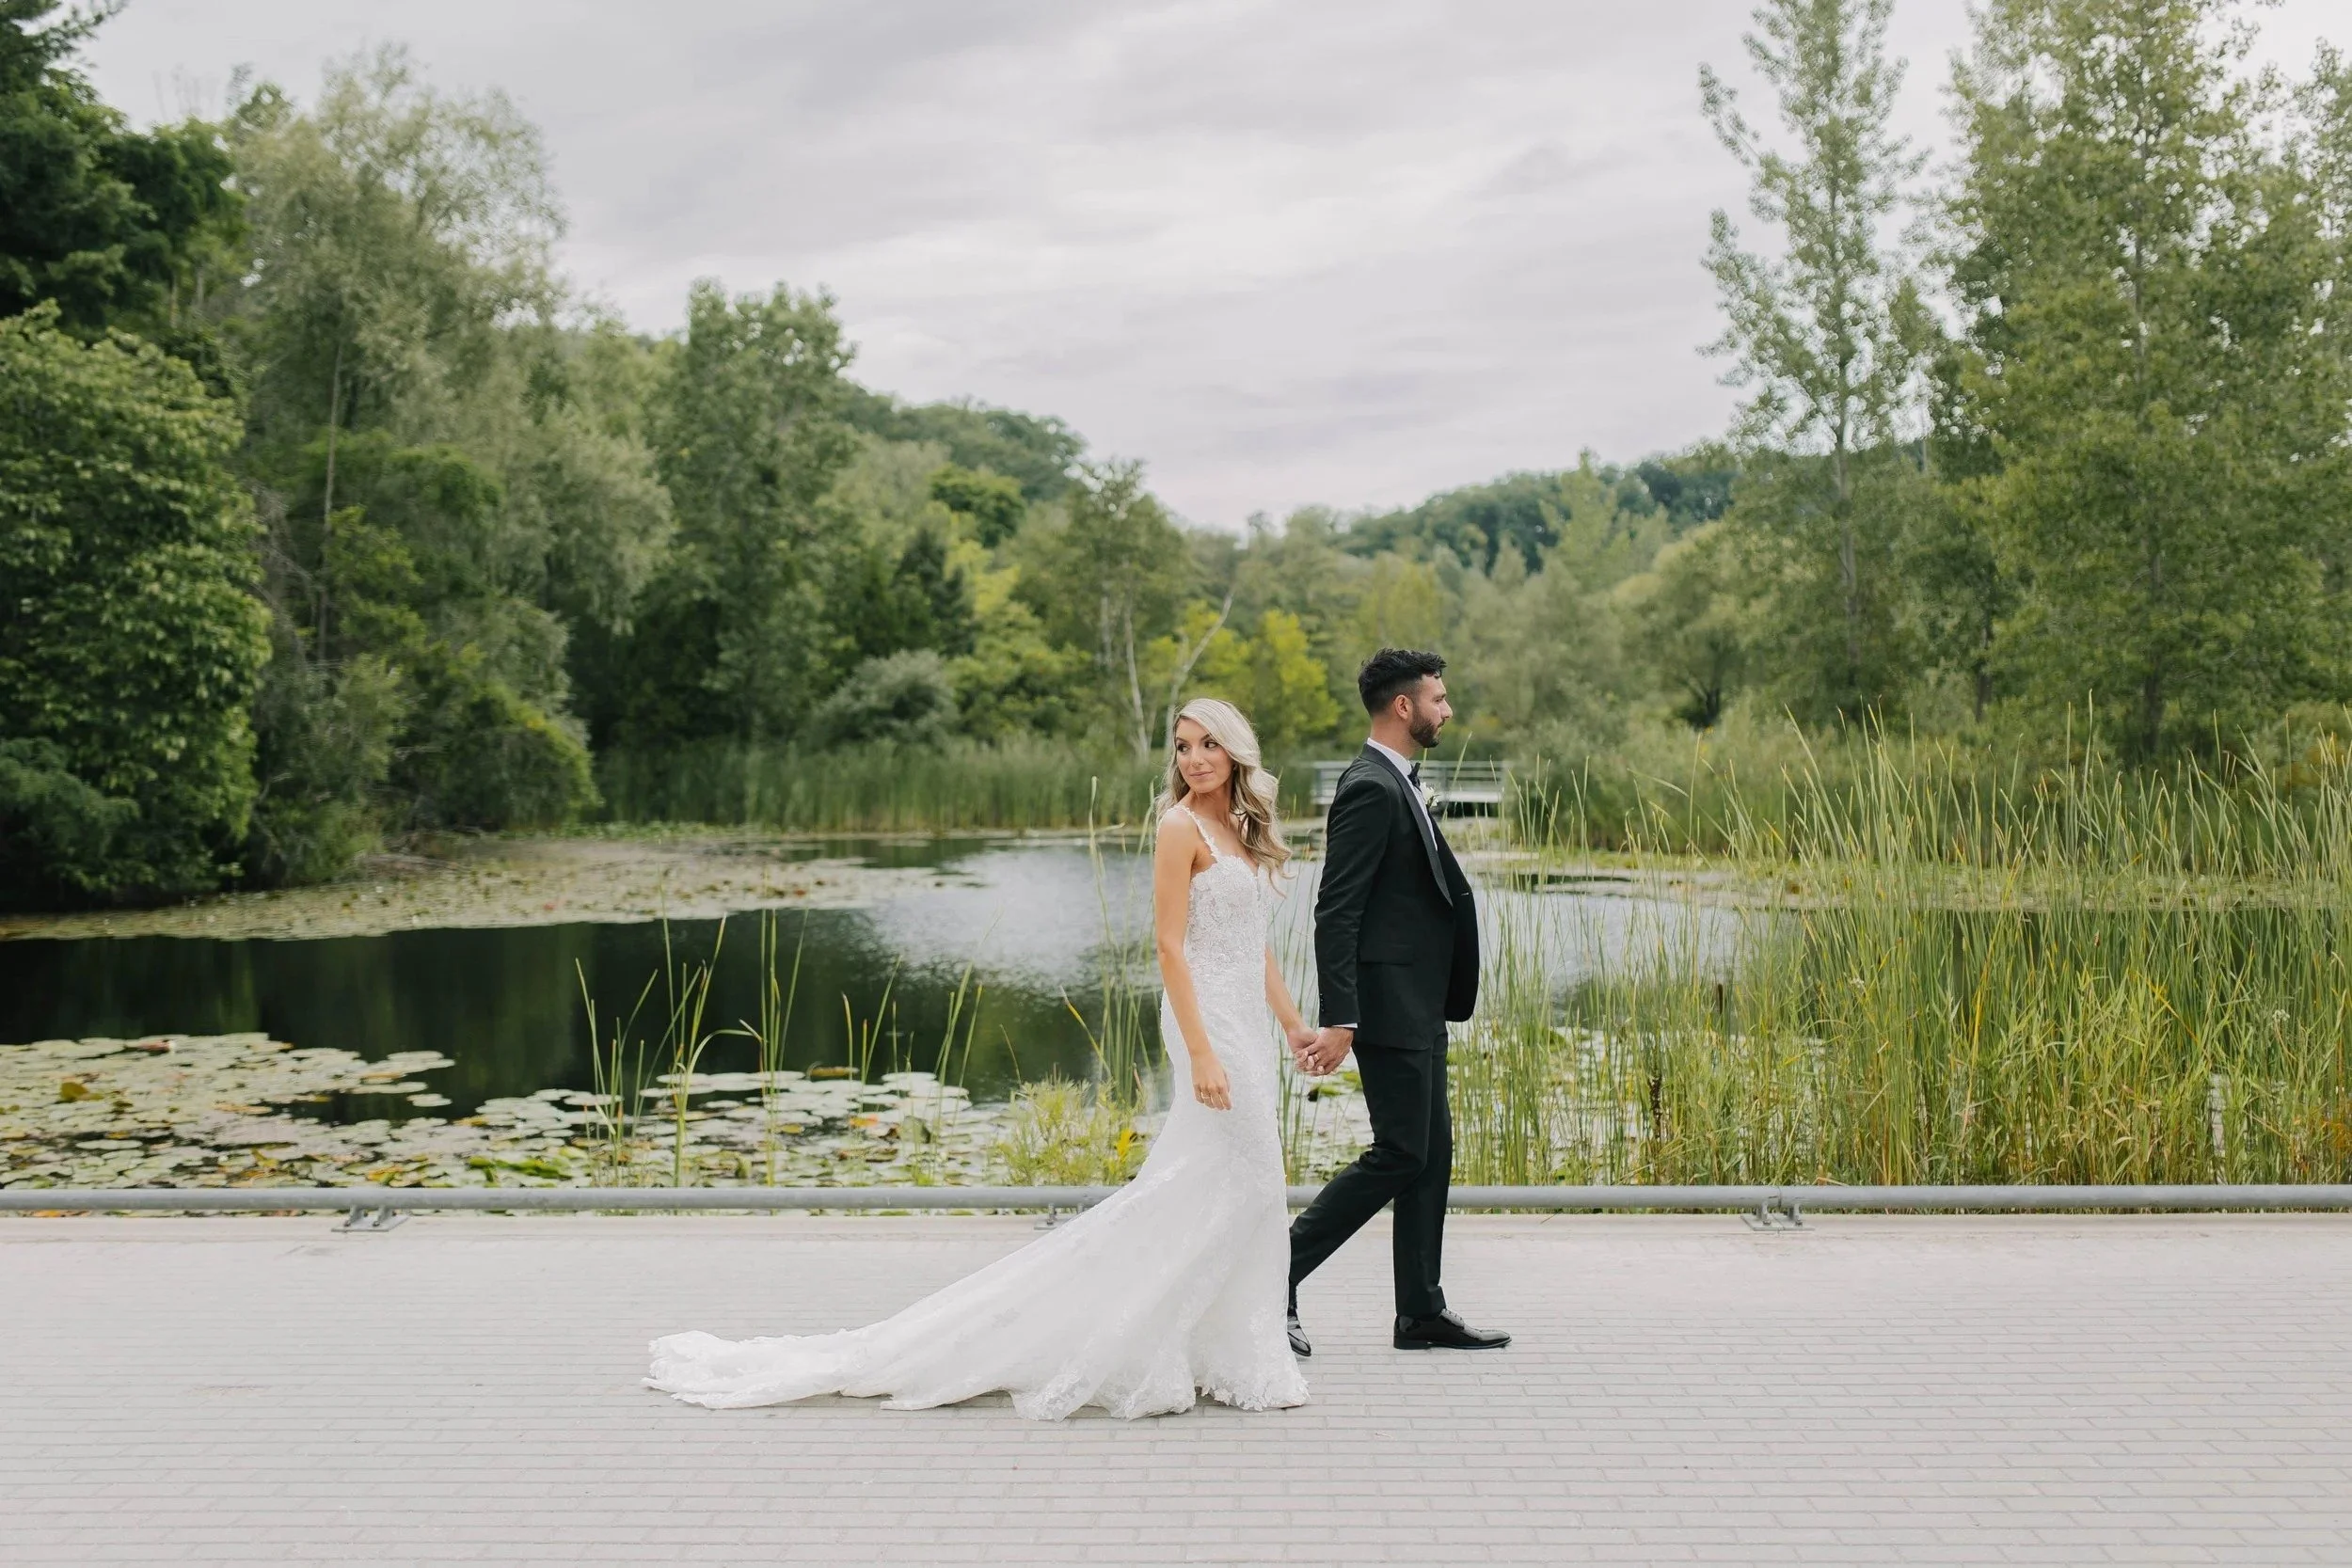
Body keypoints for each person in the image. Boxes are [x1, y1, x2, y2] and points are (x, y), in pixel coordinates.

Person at [645, 697, 1313, 1420]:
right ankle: (1185, 1345)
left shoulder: (1238, 825)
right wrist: (1202, 1051)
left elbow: (1253, 944)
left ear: (1234, 749)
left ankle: (1219, 1348)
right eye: (1183, 745)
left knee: (1234, 1182)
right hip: (1204, 1020)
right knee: (1245, 1177)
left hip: (1246, 1020)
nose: (1195, 758)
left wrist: (1293, 1024)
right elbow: (1169, 947)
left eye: (1208, 743)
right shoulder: (1179, 826)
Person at [1286, 647, 1510, 1355]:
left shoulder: (1398, 780)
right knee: (1401, 1152)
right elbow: (1337, 910)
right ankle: (1273, 1273)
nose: (1448, 710)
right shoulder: (1369, 788)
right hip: (1386, 1007)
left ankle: (1420, 1310)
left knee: (1431, 1154)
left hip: (1420, 1002)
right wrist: (1341, 1017)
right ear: (1404, 706)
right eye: (1439, 699)